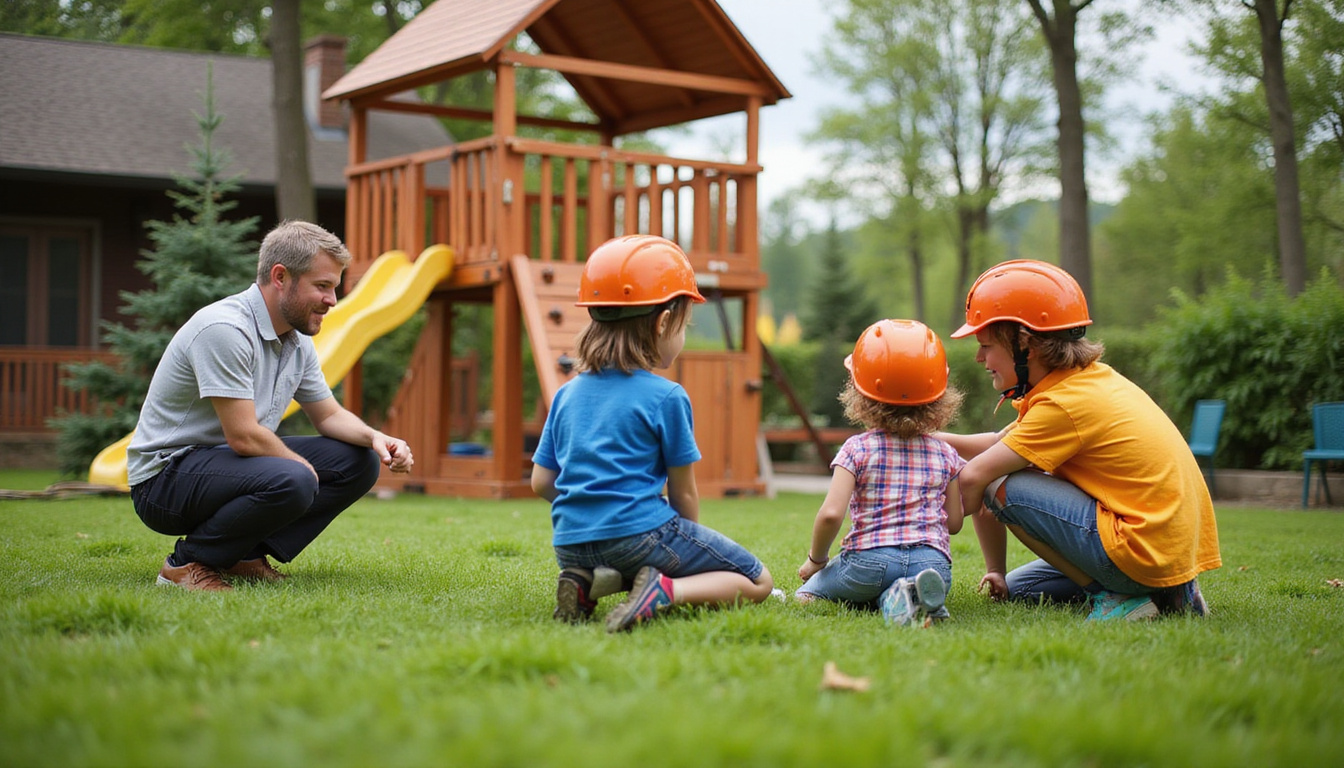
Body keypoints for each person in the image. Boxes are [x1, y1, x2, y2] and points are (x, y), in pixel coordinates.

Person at [126, 220, 414, 591]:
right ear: (281, 276)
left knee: (358, 461)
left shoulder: (295, 338)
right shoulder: (225, 329)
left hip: (224, 463)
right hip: (164, 480)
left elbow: (327, 415)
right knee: (293, 478)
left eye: (334, 288)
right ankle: (185, 565)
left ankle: (242, 555)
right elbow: (245, 437)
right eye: (322, 286)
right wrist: (302, 471)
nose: (332, 300)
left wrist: (377, 439)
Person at [941, 259, 1220, 620]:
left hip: (1138, 549)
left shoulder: (1063, 405)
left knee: (995, 481)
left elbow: (976, 476)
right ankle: (1174, 593)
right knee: (1020, 589)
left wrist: (918, 524)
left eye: (987, 345)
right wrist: (928, 439)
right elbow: (999, 442)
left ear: (1026, 344)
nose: (979, 358)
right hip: (1163, 550)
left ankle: (1119, 598)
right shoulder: (1085, 383)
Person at [530, 234, 774, 632]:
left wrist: (592, 507)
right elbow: (683, 494)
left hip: (570, 543)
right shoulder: (667, 396)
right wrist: (686, 549)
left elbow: (542, 481)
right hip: (638, 535)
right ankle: (664, 592)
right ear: (664, 323)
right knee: (758, 580)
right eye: (684, 326)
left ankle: (586, 583)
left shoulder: (566, 394)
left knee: (629, 555)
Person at [795, 319, 966, 627]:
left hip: (867, 564)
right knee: (908, 583)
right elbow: (953, 523)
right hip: (933, 564)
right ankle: (907, 598)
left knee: (807, 595)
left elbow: (832, 514)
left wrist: (816, 561)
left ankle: (892, 596)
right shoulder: (946, 454)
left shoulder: (856, 449)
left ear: (860, 394)